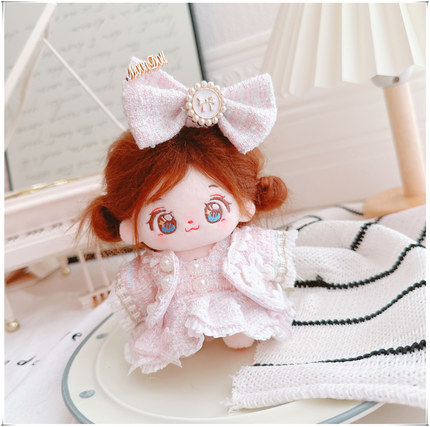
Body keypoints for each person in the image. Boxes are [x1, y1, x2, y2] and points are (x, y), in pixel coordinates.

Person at [80, 60, 297, 374]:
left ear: (245, 205)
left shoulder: (241, 246)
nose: (192, 225)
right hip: (177, 324)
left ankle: (236, 330)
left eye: (213, 210)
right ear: (129, 228)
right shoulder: (152, 266)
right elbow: (142, 293)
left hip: (235, 307)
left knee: (240, 335)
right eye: (165, 221)